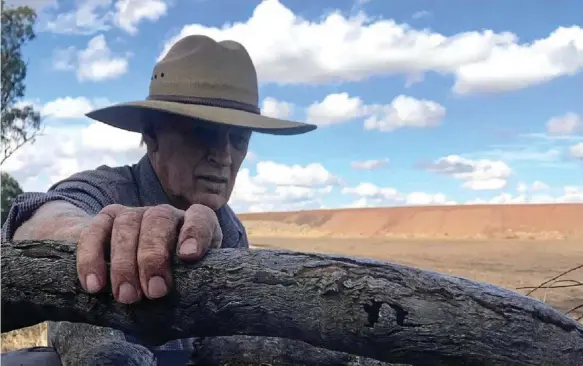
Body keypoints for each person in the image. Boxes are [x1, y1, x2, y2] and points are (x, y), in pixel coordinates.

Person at [1, 34, 317, 365]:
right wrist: (100, 237)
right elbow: (41, 217)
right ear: (151, 134)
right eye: (205, 131)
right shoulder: (107, 189)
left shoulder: (231, 230)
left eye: (238, 139)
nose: (224, 155)